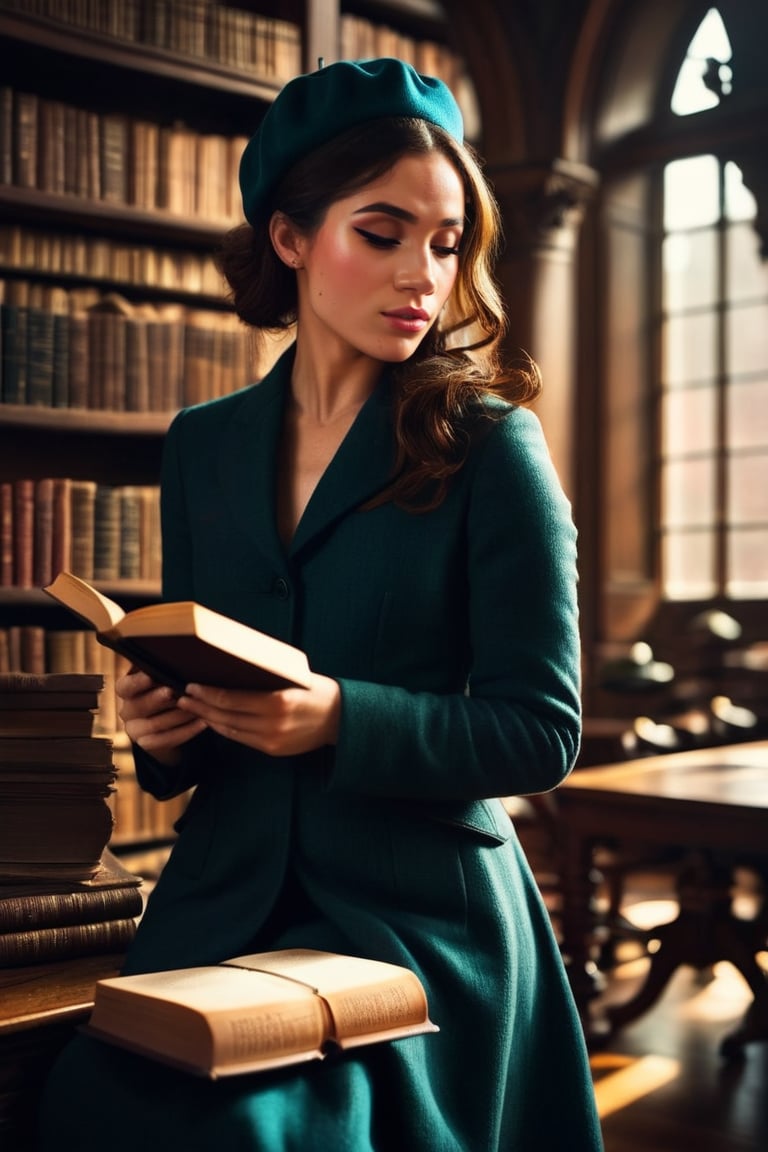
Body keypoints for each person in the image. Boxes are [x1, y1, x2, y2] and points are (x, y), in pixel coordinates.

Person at [39, 58, 603, 1151]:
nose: (423, 276)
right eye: (381, 233)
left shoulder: (491, 447)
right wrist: (161, 734)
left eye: (446, 245)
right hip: (223, 898)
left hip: (418, 923)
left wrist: (341, 715)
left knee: (268, 1128)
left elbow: (542, 731)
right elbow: (201, 711)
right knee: (84, 1100)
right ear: (291, 238)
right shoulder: (203, 446)